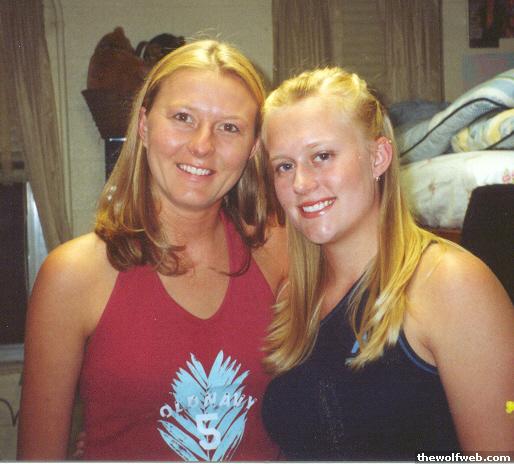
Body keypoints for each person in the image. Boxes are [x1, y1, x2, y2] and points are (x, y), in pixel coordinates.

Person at [17, 40, 286, 461]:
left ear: (253, 147)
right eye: (183, 118)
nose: (202, 145)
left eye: (229, 128)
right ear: (143, 125)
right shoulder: (72, 275)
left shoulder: (279, 250)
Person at [260, 67, 514, 461]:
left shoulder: (451, 285)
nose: (301, 184)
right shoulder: (294, 295)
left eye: (322, 156)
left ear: (378, 157)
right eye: (284, 166)